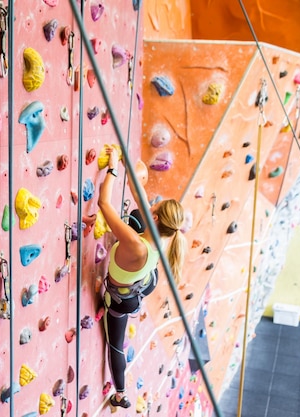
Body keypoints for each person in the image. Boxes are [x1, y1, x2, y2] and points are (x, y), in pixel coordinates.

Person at [98, 146, 186, 409]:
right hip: (146, 279)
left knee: (115, 344)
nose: (151, 203)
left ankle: (121, 393)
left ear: (156, 216)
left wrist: (113, 169)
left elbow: (104, 204)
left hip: (123, 298)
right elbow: (138, 194)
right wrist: (126, 161)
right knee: (137, 215)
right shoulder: (164, 237)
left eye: (154, 206)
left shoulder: (136, 243)